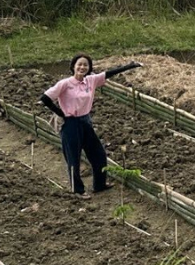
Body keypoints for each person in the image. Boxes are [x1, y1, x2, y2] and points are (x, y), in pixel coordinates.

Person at [40, 55, 142, 198]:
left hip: (85, 121)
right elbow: (45, 98)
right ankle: (78, 191)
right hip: (70, 124)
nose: (82, 67)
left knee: (98, 154)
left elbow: (108, 73)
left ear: (89, 68)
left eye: (85, 65)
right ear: (73, 66)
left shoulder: (91, 80)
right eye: (79, 64)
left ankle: (99, 184)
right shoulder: (65, 83)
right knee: (73, 158)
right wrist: (60, 113)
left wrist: (130, 66)